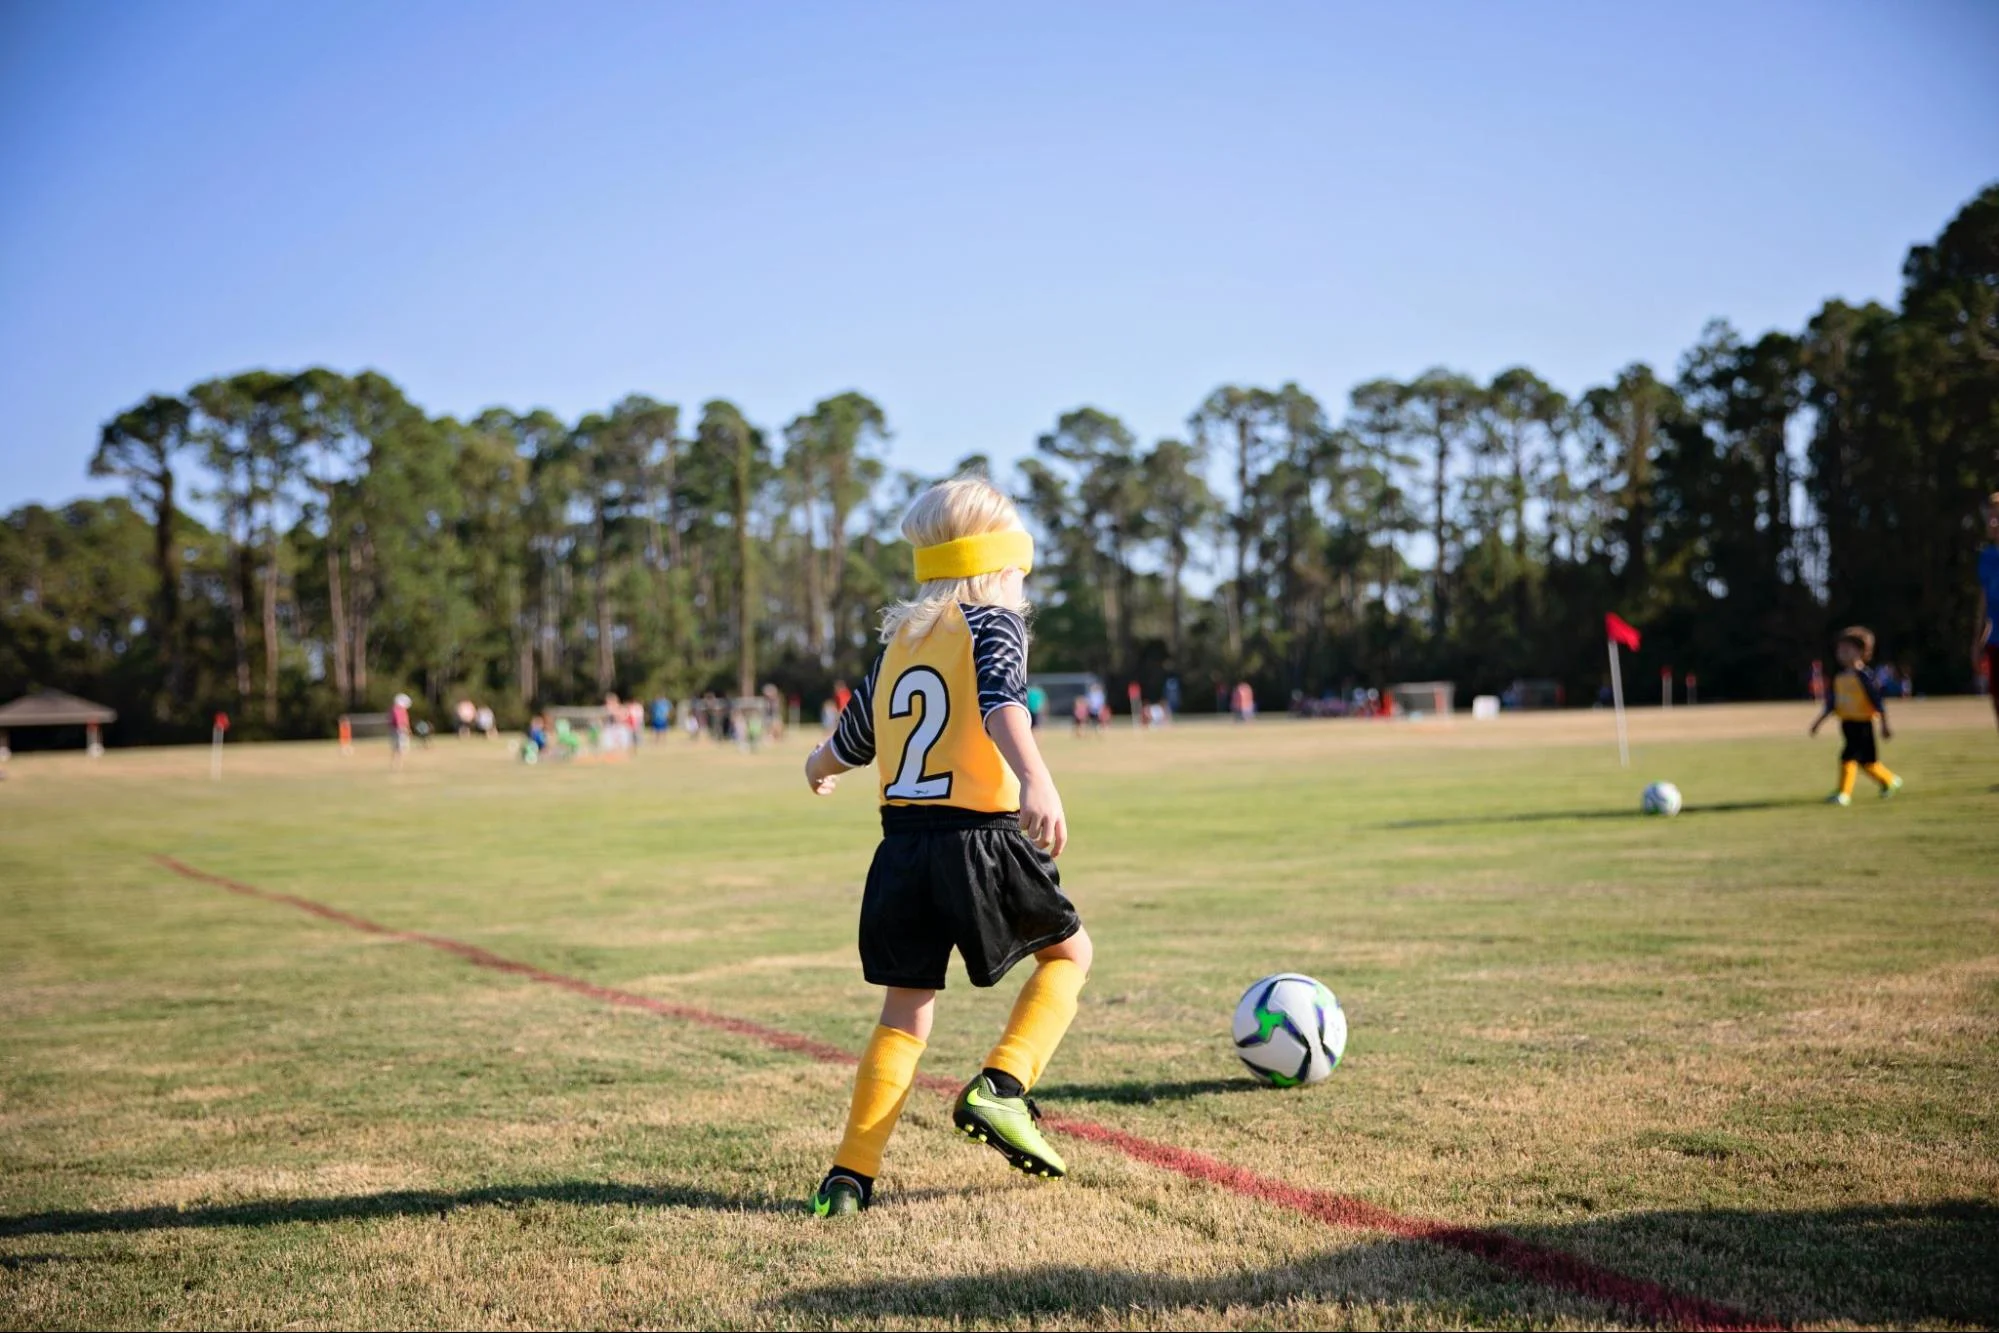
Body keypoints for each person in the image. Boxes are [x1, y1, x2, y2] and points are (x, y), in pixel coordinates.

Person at [799, 475, 1090, 1218]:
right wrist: (1036, 778)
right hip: (978, 836)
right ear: (1002, 560)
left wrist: (817, 764)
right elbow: (1001, 703)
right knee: (1070, 955)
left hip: (900, 848)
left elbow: (854, 737)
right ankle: (1002, 1087)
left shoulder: (901, 639)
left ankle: (848, 1177)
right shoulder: (992, 621)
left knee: (905, 1011)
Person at [1810, 625, 1902, 806]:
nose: (1841, 653)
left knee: (1848, 757)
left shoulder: (1865, 677)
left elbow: (1878, 703)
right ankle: (1889, 780)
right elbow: (1831, 704)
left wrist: (1884, 725)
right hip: (1847, 724)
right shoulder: (1839, 678)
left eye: (1846, 649)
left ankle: (1844, 793)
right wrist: (1818, 723)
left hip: (1863, 725)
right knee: (1867, 762)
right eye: (1839, 650)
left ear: (1861, 651)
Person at [1974, 492, 1999, 734]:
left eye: (1997, 517)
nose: (1992, 523)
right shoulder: (1987, 557)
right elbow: (1984, 603)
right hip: (1995, 642)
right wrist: (1977, 641)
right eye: (1990, 518)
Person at [389, 693, 412, 771]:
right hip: (400, 730)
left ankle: (396, 764)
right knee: (401, 748)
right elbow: (400, 721)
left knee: (396, 748)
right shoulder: (399, 710)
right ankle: (399, 765)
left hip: (396, 730)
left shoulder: (395, 709)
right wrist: (405, 730)